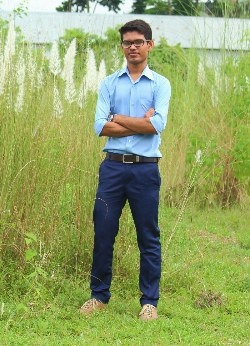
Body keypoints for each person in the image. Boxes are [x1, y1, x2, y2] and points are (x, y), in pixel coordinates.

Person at [79, 19, 171, 321]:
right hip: (112, 170)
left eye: (139, 41)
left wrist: (117, 117)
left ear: (149, 45)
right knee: (103, 231)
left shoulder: (160, 84)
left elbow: (156, 126)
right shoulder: (108, 83)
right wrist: (138, 123)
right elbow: (99, 126)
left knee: (148, 236)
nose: (133, 46)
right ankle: (99, 296)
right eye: (127, 42)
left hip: (145, 171)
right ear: (122, 47)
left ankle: (149, 302)